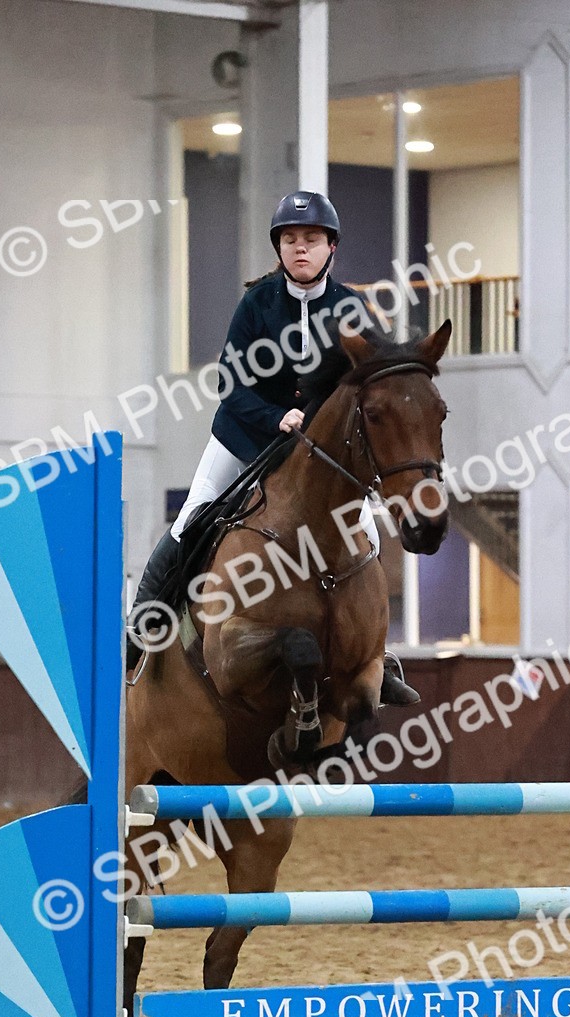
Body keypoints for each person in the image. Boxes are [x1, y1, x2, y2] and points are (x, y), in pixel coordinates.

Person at [127, 190, 418, 704]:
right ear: (278, 249)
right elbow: (232, 386)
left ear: (331, 247)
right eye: (290, 240)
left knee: (368, 537)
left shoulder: (351, 307)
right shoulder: (256, 304)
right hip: (247, 437)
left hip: (321, 451)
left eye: (310, 239)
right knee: (191, 516)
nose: (300, 248)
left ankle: (379, 653)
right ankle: (143, 624)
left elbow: (370, 382)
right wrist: (274, 417)